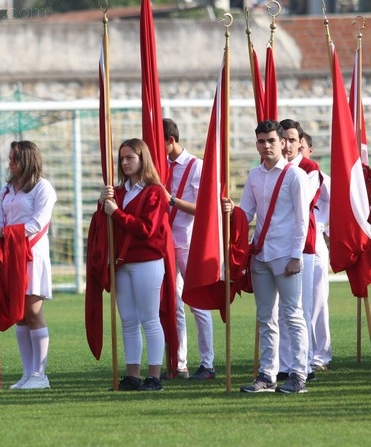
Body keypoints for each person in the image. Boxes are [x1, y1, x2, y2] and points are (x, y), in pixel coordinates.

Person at [222, 120, 310, 394]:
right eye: (261, 141)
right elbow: (245, 215)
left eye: (271, 140)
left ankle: (298, 375)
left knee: (293, 316)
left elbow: (302, 220)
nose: (266, 146)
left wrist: (296, 256)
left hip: (286, 256)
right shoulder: (254, 175)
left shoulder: (295, 176)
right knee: (265, 318)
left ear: (283, 143)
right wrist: (230, 210)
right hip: (260, 255)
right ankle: (267, 375)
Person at [0, 140, 57, 390]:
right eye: (9, 158)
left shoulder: (42, 188)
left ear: (26, 160)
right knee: (19, 315)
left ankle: (41, 375)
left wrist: (3, 234)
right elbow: (1, 220)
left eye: (14, 158)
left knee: (32, 311)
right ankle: (28, 374)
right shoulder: (7, 189)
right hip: (10, 254)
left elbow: (38, 223)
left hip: (32, 253)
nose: (10, 163)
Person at [98, 138, 169, 391]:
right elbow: (103, 226)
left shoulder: (155, 191)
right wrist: (102, 205)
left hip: (147, 261)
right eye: (122, 158)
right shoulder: (117, 191)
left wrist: (115, 212)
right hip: (121, 262)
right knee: (127, 320)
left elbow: (147, 229)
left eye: (130, 158)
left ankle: (154, 375)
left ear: (142, 159)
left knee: (149, 318)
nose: (125, 162)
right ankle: (132, 375)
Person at [162, 118, 215, 380]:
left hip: (188, 241)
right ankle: (178, 362)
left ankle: (208, 363)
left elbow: (205, 209)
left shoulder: (196, 167)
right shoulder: (159, 167)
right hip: (165, 242)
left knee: (198, 304)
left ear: (170, 141)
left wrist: (171, 200)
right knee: (173, 304)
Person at [277, 120, 322, 382]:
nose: (288, 145)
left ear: (300, 143)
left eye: (293, 140)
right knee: (280, 311)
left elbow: (301, 205)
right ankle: (285, 364)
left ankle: (304, 364)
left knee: (300, 309)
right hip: (276, 247)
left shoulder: (309, 169)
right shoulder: (270, 170)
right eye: (284, 139)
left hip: (302, 246)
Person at [301, 133, 332, 370]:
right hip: (291, 242)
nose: (294, 149)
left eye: (300, 145)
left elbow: (338, 209)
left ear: (309, 150)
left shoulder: (323, 178)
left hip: (315, 239)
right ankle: (300, 352)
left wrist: (326, 231)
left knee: (318, 300)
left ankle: (321, 355)